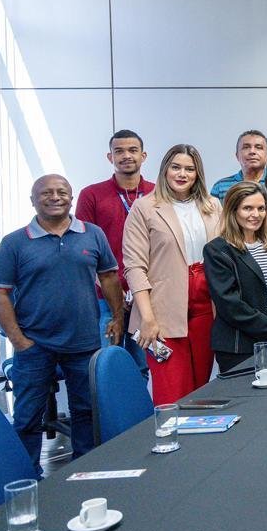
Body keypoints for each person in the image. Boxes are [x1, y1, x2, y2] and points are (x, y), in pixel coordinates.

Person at [0, 175, 123, 473]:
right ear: (33, 200)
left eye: (62, 192)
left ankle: (83, 471)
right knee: (27, 417)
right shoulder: (15, 242)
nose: (55, 197)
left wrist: (117, 316)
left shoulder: (92, 234)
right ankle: (26, 479)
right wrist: (17, 339)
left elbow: (109, 277)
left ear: (71, 198)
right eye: (46, 193)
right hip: (34, 345)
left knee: (86, 412)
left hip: (84, 342)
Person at [121, 144, 222, 404]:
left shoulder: (212, 205)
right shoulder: (144, 207)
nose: (182, 174)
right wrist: (147, 318)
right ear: (165, 169)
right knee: (172, 393)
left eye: (189, 169)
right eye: (176, 167)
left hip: (205, 307)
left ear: (198, 174)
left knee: (201, 391)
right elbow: (134, 267)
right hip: (161, 312)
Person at [75, 129, 154, 371]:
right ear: (110, 157)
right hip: (106, 297)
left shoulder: (157, 193)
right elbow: (85, 249)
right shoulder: (91, 195)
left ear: (143, 156)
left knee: (142, 366)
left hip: (147, 295)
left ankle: (139, 400)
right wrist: (115, 294)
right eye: (119, 151)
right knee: (109, 366)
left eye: (132, 150)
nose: (126, 156)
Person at [205, 182, 267, 372]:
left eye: (261, 208)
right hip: (237, 347)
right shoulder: (217, 250)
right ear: (233, 210)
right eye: (247, 208)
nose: (255, 214)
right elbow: (229, 303)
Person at [210, 130, 267, 199]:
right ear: (237, 156)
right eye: (246, 147)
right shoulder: (220, 187)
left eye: (258, 147)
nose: (252, 151)